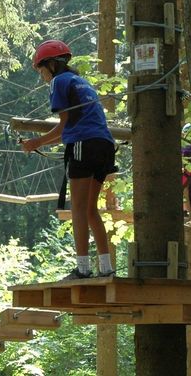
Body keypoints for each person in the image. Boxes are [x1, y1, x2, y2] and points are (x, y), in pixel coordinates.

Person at [21, 40, 116, 280]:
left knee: (78, 209)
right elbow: (68, 130)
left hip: (83, 145)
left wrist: (36, 143)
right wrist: (40, 142)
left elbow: (63, 127)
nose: (41, 76)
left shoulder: (58, 82)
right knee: (90, 209)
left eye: (41, 70)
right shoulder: (81, 82)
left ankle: (83, 269)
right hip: (104, 146)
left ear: (52, 65)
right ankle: (106, 268)